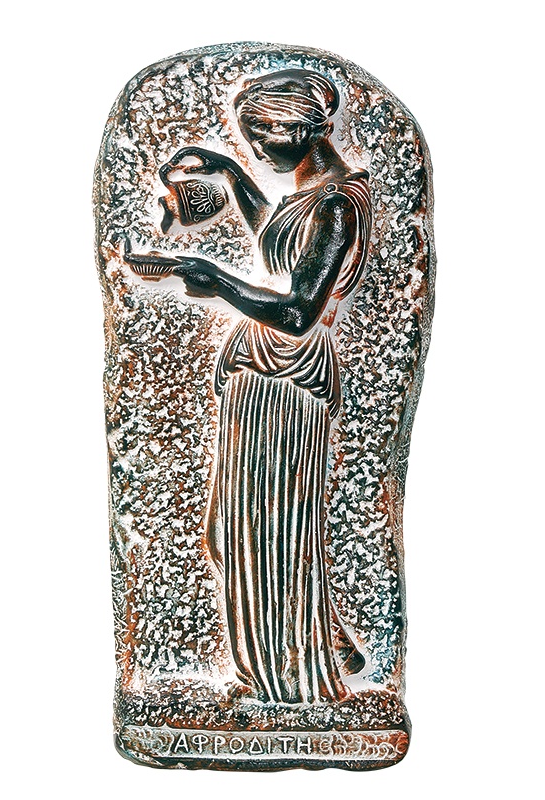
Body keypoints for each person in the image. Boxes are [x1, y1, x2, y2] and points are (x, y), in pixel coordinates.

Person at [165, 69, 372, 703]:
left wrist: (217, 280)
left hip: (286, 379)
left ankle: (287, 680)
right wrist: (230, 174)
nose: (256, 149)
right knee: (231, 530)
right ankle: (319, 644)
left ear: (299, 130)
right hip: (261, 373)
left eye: (260, 139)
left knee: (267, 532)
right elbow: (280, 244)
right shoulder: (315, 196)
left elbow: (299, 309)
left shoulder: (337, 204)